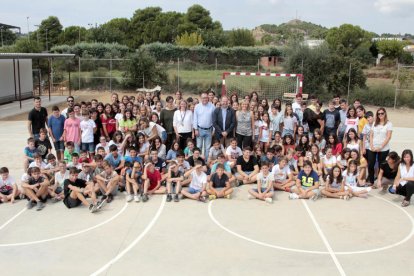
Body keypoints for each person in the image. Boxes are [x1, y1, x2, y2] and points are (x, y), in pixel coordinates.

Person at [367, 108, 393, 185]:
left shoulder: (389, 124)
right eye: (378, 114)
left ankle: (379, 181)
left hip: (383, 148)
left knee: (381, 165)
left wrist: (380, 147)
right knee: (371, 164)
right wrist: (371, 146)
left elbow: (388, 137)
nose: (380, 115)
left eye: (382, 113)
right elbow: (371, 135)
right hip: (373, 147)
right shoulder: (375, 123)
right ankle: (371, 181)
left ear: (385, 114)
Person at [193, 92, 215, 161]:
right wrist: (195, 129)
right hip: (199, 129)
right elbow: (195, 118)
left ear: (208, 98)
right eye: (203, 98)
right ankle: (198, 160)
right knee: (199, 146)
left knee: (207, 147)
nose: (204, 99)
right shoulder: (197, 106)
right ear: (200, 98)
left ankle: (205, 162)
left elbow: (214, 119)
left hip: (209, 130)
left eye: (206, 98)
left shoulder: (212, 106)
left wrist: (213, 130)